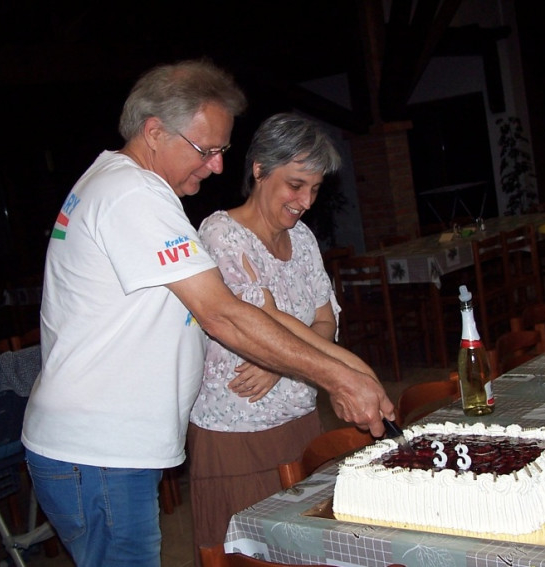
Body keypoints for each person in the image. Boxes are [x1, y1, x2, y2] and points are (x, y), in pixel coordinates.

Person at [21, 59, 395, 567]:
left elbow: (253, 313)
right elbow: (223, 315)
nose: (218, 166)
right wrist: (338, 379)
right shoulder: (133, 194)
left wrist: (352, 371)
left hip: (100, 447)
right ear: (155, 132)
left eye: (222, 151)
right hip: (98, 449)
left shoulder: (125, 186)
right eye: (206, 150)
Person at [188, 113, 345, 553]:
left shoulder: (304, 239)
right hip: (238, 435)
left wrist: (281, 366)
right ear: (259, 169)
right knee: (250, 554)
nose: (306, 201)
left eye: (315, 188)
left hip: (303, 425)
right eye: (296, 185)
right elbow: (249, 326)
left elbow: (327, 322)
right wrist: (290, 357)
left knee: (310, 552)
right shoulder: (222, 234)